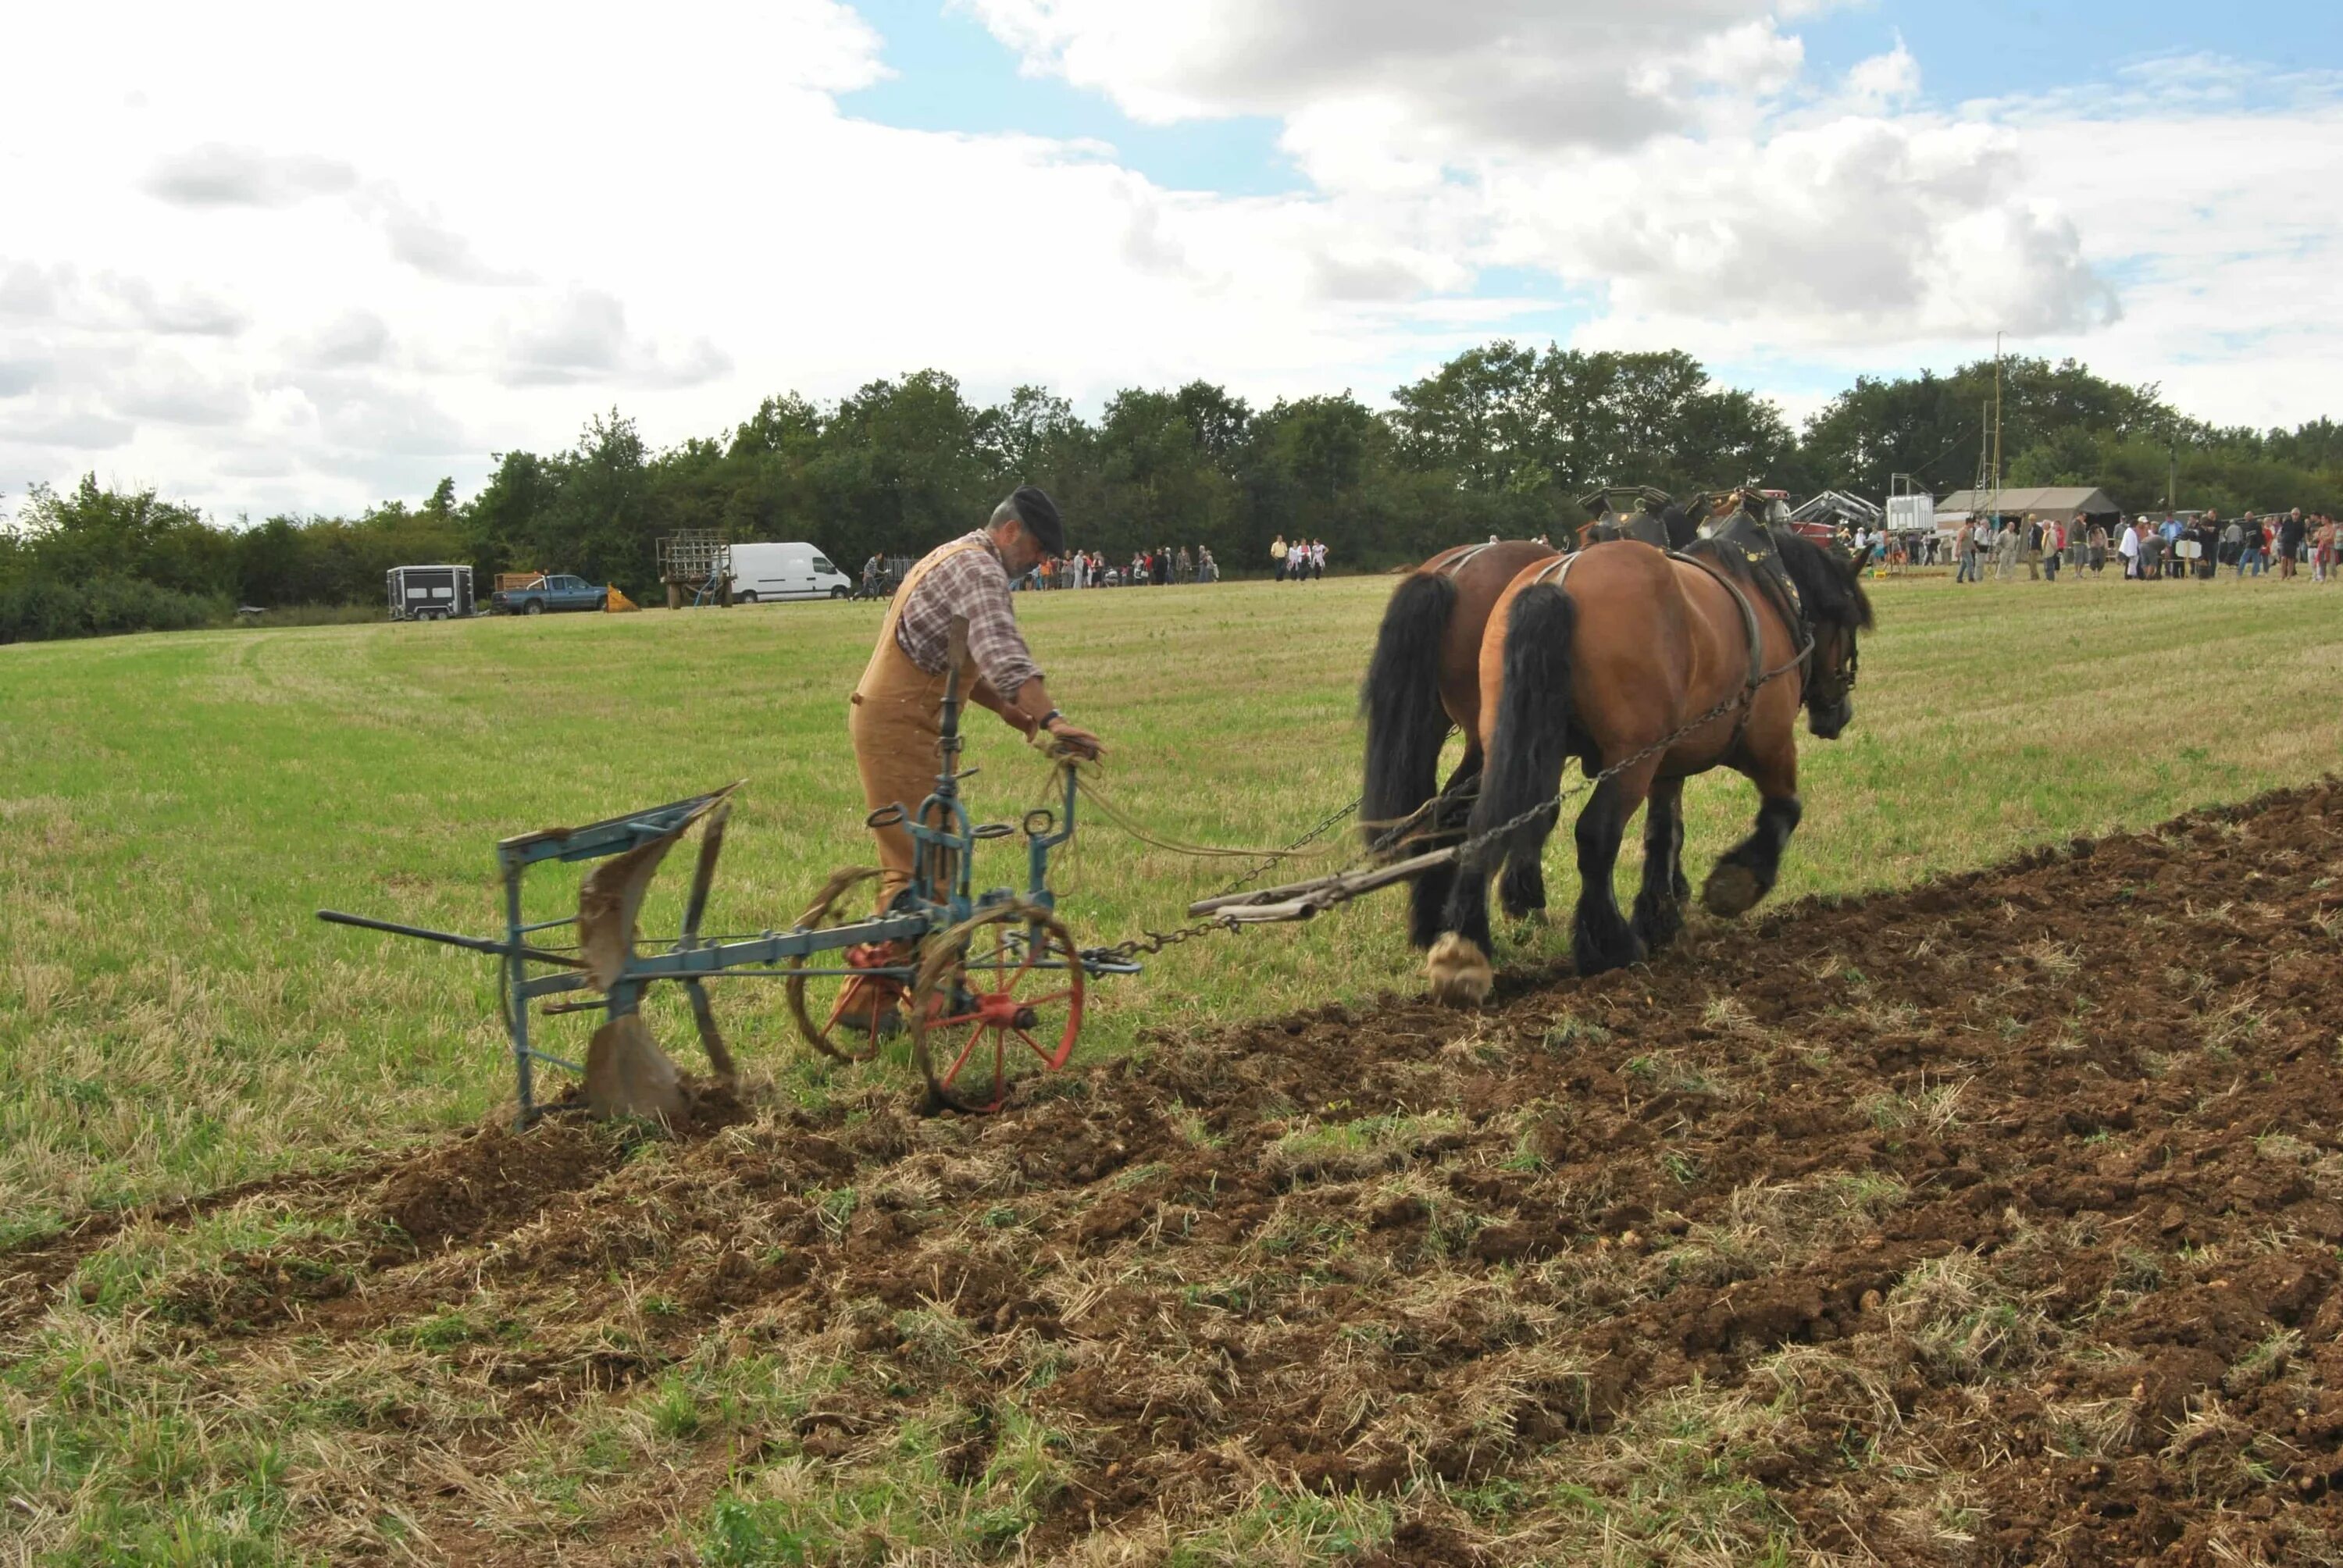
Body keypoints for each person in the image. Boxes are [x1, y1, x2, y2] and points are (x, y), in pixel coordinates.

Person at [847, 486, 1104, 950]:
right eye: (1037, 549)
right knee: (925, 871)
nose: (1038, 561)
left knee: (917, 862)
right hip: (900, 725)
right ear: (1010, 532)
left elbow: (944, 655)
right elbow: (1003, 652)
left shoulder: (951, 555)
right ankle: (920, 994)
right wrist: (1052, 719)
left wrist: (1006, 707)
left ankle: (886, 998)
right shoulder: (981, 571)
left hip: (894, 718)